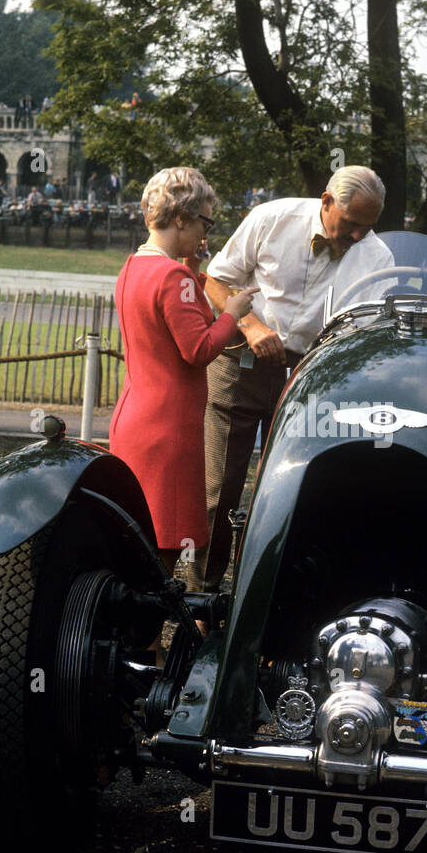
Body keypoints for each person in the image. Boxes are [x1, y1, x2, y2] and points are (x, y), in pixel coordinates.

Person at [186, 166, 391, 594]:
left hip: (312, 378)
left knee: (291, 490)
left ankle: (262, 599)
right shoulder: (271, 218)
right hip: (240, 364)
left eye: (367, 228)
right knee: (217, 491)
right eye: (351, 224)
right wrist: (252, 326)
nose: (357, 236)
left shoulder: (378, 258)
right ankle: (202, 596)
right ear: (326, 200)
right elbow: (217, 281)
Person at [108, 168, 256, 574]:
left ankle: (134, 631)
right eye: (204, 223)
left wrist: (192, 270)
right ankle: (147, 635)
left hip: (135, 417)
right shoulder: (173, 276)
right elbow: (199, 349)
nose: (205, 235)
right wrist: (232, 313)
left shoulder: (135, 265)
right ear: (180, 219)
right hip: (168, 427)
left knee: (136, 532)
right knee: (165, 543)